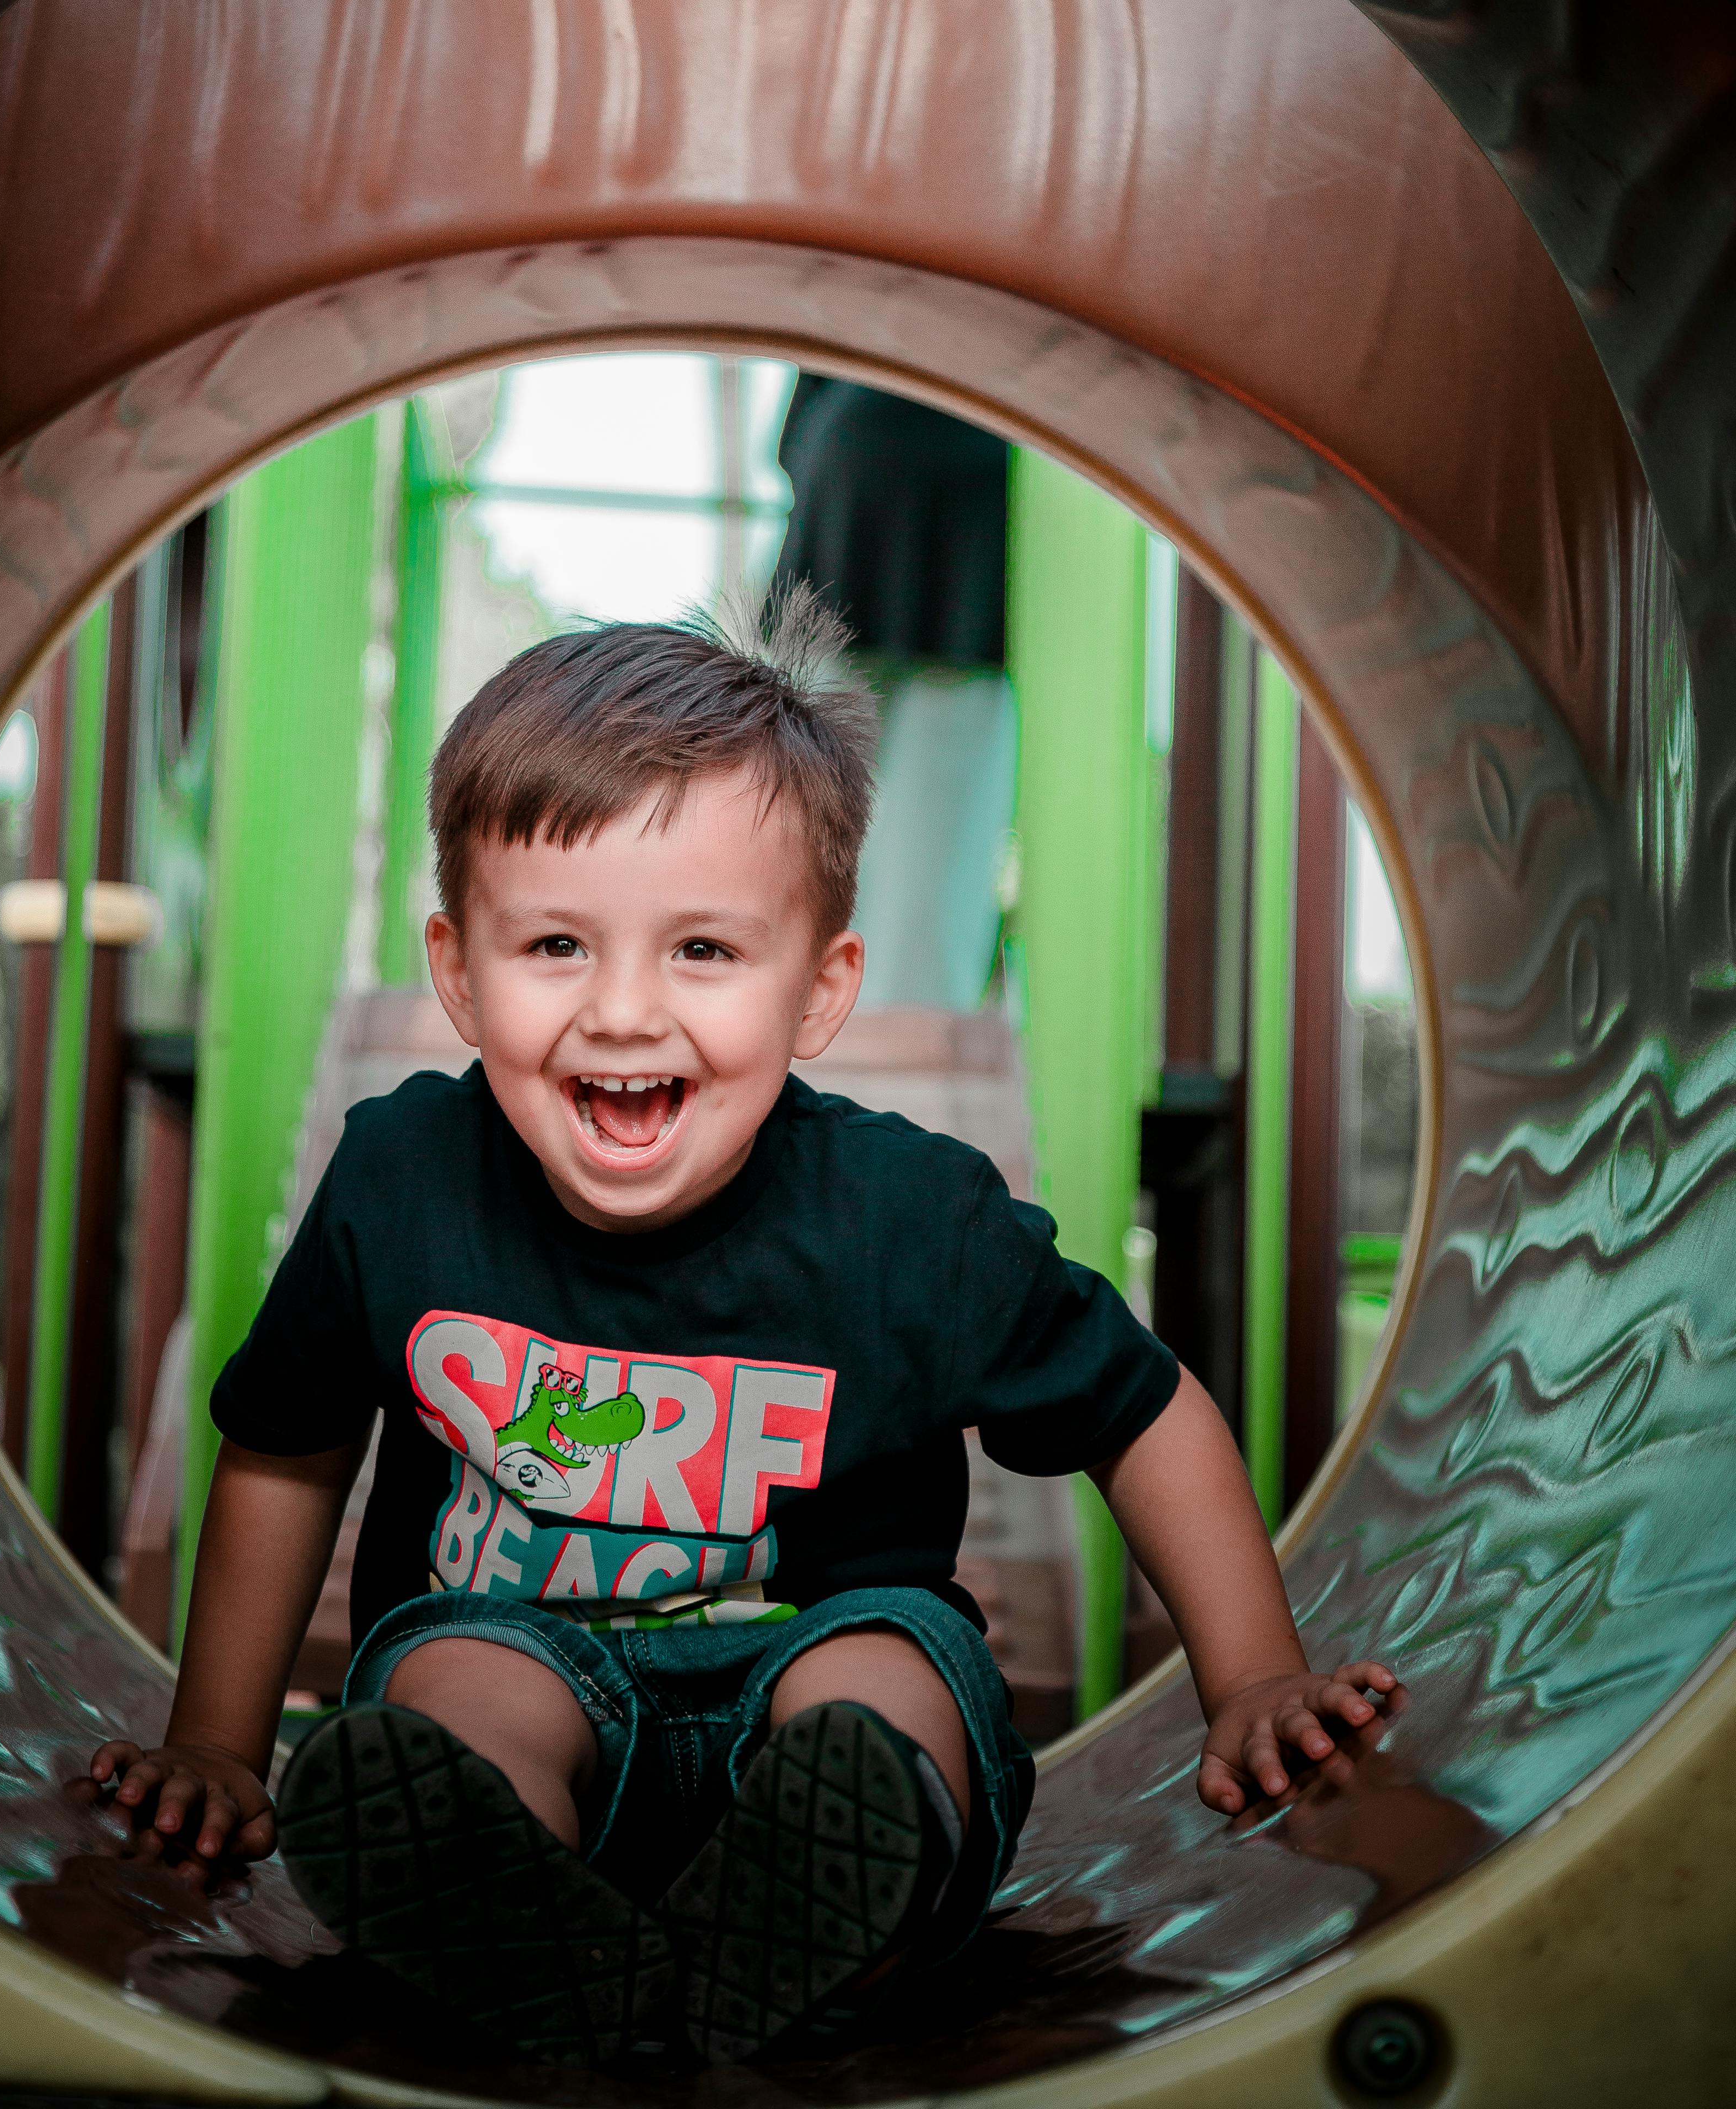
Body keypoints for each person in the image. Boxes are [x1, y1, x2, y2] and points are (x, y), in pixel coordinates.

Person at [90, 598, 1396, 2070]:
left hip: (814, 1676)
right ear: (459, 974)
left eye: (704, 950)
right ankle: (517, 1929)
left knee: (886, 1677)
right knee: (451, 1688)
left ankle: (843, 1911)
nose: (625, 1013)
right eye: (557, 946)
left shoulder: (909, 1217)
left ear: (819, 989)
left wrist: (1252, 1679)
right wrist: (218, 1741)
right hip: (528, 1678)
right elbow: (287, 1443)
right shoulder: (401, 1182)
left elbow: (1140, 1414)